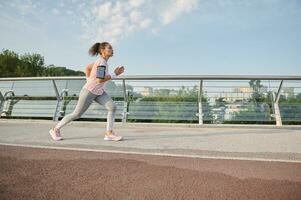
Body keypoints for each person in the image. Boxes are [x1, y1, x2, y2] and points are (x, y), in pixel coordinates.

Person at [49, 42, 125, 141]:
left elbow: (88, 68)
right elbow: (99, 79)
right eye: (109, 48)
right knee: (76, 114)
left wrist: (89, 79)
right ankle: (55, 129)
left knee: (112, 107)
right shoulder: (101, 62)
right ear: (102, 51)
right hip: (89, 91)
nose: (112, 50)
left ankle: (109, 133)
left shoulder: (103, 62)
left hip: (99, 92)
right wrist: (114, 74)